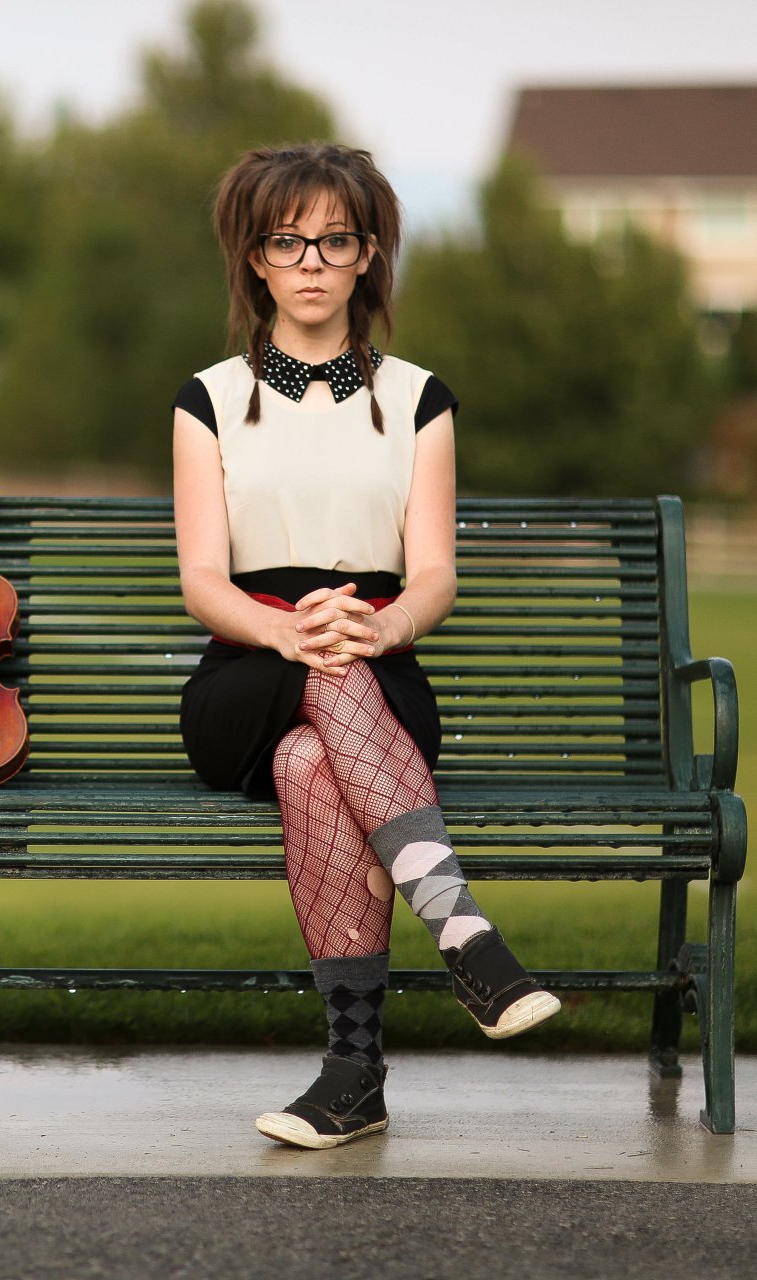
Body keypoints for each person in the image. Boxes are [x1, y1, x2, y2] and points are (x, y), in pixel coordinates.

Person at [171, 142, 561, 1151]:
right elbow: (202, 579)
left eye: (334, 240)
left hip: (379, 675)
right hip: (244, 673)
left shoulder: (420, 399)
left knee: (313, 755)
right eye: (286, 241)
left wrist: (384, 624)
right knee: (319, 678)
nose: (310, 261)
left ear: (369, 256)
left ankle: (353, 1078)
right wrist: (286, 630)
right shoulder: (208, 399)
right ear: (254, 259)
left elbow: (434, 573)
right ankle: (464, 933)